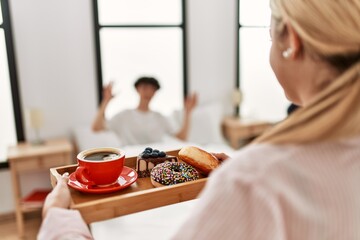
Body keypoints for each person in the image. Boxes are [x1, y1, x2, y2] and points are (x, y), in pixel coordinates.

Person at [39, 0, 360, 239]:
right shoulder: (123, 117)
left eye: (268, 37)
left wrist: (57, 216)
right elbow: (98, 128)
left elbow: (180, 137)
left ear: (290, 40)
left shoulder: (255, 180)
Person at [92, 77, 197, 145]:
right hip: (130, 161)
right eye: (145, 87)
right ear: (138, 89)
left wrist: (188, 112)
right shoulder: (124, 115)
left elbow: (182, 137)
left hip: (156, 162)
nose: (148, 91)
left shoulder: (159, 117)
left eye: (152, 89)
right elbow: (96, 128)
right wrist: (105, 101)